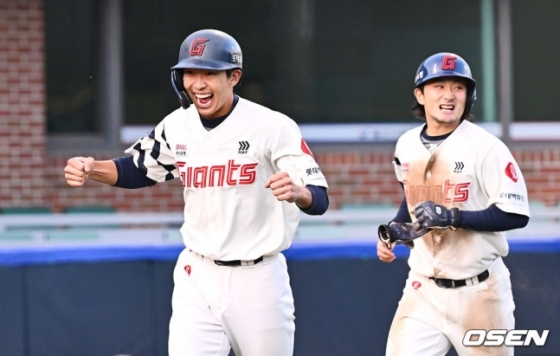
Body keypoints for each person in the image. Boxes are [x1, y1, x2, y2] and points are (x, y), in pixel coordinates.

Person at [64, 29, 329, 356]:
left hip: (258, 278)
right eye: (190, 72)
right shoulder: (178, 125)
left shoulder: (273, 126)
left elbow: (319, 198)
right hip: (197, 273)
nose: (198, 83)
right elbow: (138, 168)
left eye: (209, 73)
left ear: (234, 77)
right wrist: (93, 168)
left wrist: (299, 192)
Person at [376, 52, 530, 356]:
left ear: (469, 96)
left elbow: (515, 213)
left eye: (458, 87)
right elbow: (411, 198)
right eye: (439, 86)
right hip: (423, 290)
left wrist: (452, 217)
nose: (449, 95)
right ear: (420, 94)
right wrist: (396, 229)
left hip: (480, 291)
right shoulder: (406, 144)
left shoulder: (486, 147)